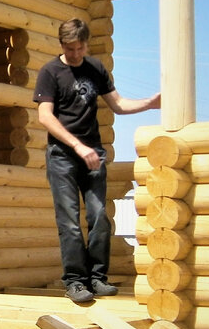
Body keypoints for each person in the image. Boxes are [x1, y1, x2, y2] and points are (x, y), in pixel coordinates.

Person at [33, 18, 161, 305]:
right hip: (63, 156)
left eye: (80, 48)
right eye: (70, 48)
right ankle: (75, 282)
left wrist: (148, 104)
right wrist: (77, 145)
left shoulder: (95, 69)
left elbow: (118, 103)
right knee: (69, 221)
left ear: (86, 44)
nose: (76, 53)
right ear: (61, 45)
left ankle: (98, 278)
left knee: (99, 216)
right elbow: (45, 116)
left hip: (93, 155)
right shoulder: (50, 72)